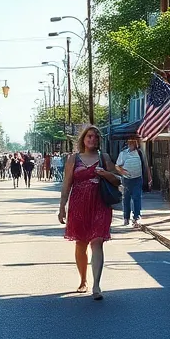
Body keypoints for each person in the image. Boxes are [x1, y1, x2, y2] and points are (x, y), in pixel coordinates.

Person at [58, 125, 121, 300]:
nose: (92, 139)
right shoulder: (73, 159)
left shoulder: (104, 157)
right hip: (79, 204)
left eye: (95, 137)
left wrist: (105, 174)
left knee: (97, 241)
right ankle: (83, 280)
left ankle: (96, 285)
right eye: (89, 136)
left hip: (100, 203)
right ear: (83, 139)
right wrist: (62, 206)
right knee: (81, 243)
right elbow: (67, 184)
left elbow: (117, 180)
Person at [115, 138, 148, 228]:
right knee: (126, 199)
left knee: (137, 197)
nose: (132, 144)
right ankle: (126, 218)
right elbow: (117, 166)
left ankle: (136, 217)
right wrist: (122, 171)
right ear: (128, 143)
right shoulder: (123, 153)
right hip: (126, 180)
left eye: (134, 142)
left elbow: (145, 165)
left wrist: (148, 178)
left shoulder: (140, 153)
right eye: (130, 142)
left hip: (137, 179)